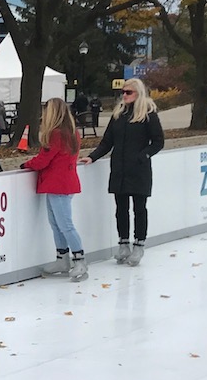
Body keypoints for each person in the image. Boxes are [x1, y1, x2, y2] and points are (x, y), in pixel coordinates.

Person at [80, 78, 164, 266]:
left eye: (128, 92)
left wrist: (144, 156)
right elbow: (107, 142)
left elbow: (158, 141)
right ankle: (123, 243)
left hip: (139, 169)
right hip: (119, 168)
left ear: (138, 93)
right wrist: (92, 157)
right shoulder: (118, 114)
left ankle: (139, 244)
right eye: (123, 92)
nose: (124, 95)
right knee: (121, 208)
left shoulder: (148, 114)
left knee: (139, 208)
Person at [25, 98, 89, 282]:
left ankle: (79, 259)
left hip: (58, 185)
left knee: (65, 225)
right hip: (62, 184)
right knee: (57, 224)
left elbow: (43, 159)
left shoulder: (56, 135)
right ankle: (62, 258)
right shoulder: (72, 133)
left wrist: (26, 164)